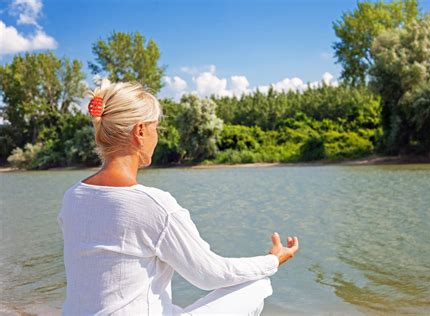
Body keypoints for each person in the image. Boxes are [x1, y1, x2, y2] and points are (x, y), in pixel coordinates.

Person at [57, 79, 299, 315]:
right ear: (140, 131)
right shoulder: (154, 205)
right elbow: (208, 274)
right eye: (155, 128)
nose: (157, 137)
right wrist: (272, 260)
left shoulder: (72, 197)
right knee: (256, 285)